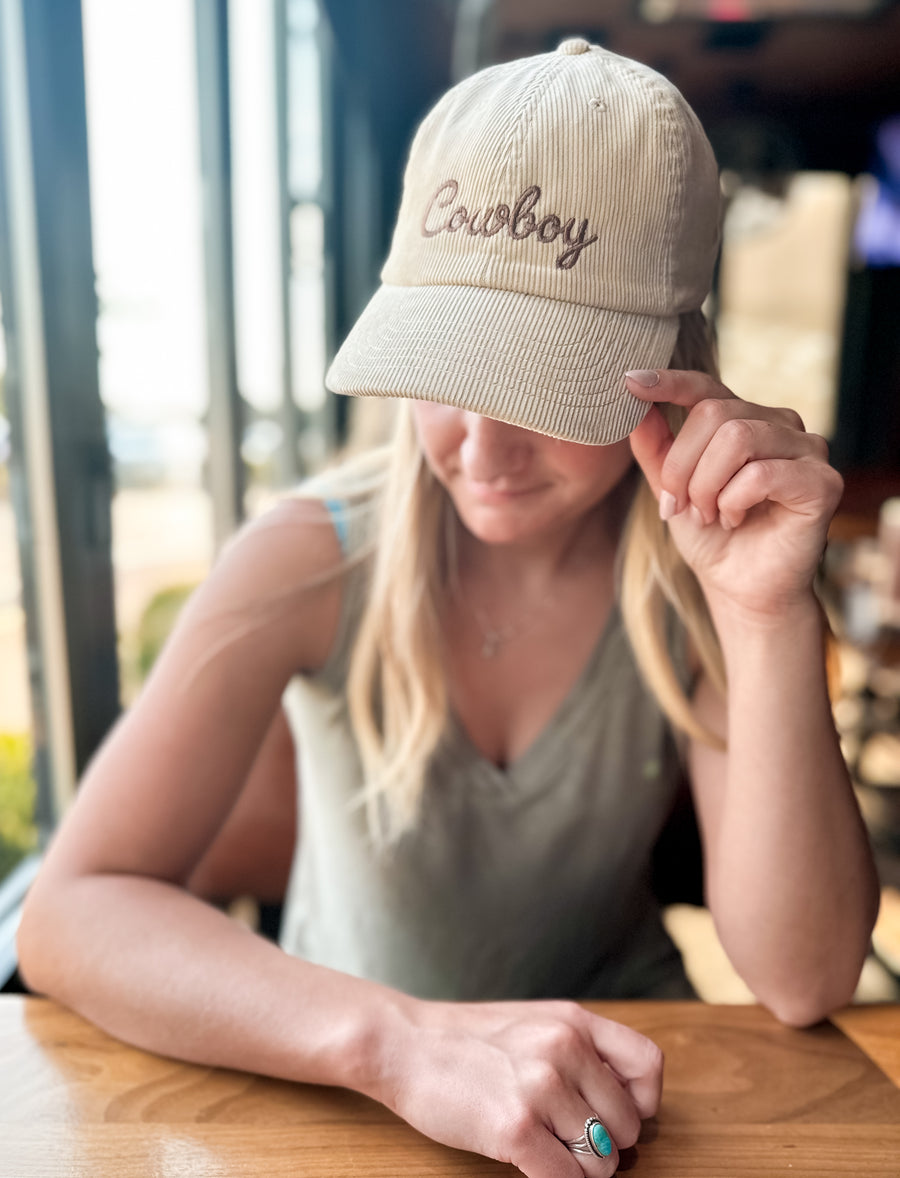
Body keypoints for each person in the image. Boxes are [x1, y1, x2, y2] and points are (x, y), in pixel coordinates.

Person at [17, 38, 879, 1178]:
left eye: (540, 383)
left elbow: (803, 974)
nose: (481, 449)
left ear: (676, 361)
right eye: (450, 367)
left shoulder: (696, 572)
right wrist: (398, 1040)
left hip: (623, 1087)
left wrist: (769, 615)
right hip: (346, 1089)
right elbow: (69, 910)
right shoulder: (308, 555)